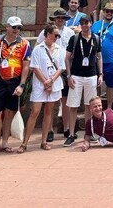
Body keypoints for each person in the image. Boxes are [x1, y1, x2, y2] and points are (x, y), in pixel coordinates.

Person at [0, 16, 31, 155]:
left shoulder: (25, 44)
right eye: (14, 27)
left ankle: (5, 142)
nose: (16, 30)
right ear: (7, 27)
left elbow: (26, 66)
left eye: (19, 27)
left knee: (10, 113)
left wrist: (22, 85)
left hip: (14, 81)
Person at [19, 25, 65, 152]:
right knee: (35, 112)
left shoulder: (59, 49)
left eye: (58, 35)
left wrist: (51, 81)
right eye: (55, 35)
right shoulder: (38, 49)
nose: (57, 37)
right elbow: (34, 67)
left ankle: (44, 141)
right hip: (40, 85)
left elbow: (61, 67)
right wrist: (45, 82)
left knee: (49, 112)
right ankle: (24, 143)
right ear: (48, 34)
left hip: (53, 84)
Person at [64, 16, 103, 147]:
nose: (84, 25)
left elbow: (99, 57)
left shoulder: (96, 38)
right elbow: (67, 58)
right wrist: (68, 75)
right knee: (73, 106)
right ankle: (71, 134)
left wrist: (100, 74)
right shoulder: (74, 38)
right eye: (82, 23)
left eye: (86, 23)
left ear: (91, 23)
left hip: (91, 75)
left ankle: (88, 133)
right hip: (76, 75)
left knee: (89, 106)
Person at [38, 8, 75, 142]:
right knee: (50, 102)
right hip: (49, 69)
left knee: (65, 100)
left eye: (62, 18)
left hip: (64, 68)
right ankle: (49, 130)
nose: (60, 20)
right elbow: (38, 47)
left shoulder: (70, 32)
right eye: (58, 17)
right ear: (54, 19)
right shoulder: (45, 32)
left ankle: (66, 128)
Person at [92, 2, 113, 111]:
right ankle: (96, 107)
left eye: (111, 11)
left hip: (111, 61)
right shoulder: (96, 25)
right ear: (103, 11)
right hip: (96, 60)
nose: (109, 13)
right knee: (96, 84)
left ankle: (109, 108)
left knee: (111, 85)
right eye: (107, 11)